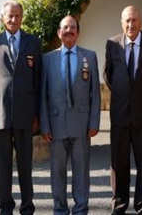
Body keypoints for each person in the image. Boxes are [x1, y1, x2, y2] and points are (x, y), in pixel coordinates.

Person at [0, 0, 42, 215]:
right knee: (3, 166)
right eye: (9, 16)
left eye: (17, 16)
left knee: (26, 166)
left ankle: (27, 206)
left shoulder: (33, 43)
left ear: (22, 17)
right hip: (0, 114)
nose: (13, 20)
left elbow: (38, 81)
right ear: (2, 18)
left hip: (26, 115)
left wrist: (37, 115)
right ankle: (5, 206)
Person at [40, 15, 101, 215]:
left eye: (73, 27)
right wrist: (45, 125)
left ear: (78, 32)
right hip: (56, 125)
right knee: (57, 172)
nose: (69, 31)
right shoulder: (47, 59)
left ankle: (81, 209)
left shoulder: (89, 57)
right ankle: (60, 209)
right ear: (59, 32)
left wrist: (94, 122)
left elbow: (95, 94)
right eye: (65, 27)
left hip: (82, 124)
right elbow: (43, 95)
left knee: (81, 171)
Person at [104, 5, 142, 214]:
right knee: (119, 162)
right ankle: (119, 203)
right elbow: (108, 75)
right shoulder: (112, 43)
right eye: (127, 20)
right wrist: (123, 93)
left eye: (134, 20)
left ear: (140, 22)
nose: (130, 24)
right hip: (119, 113)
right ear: (121, 22)